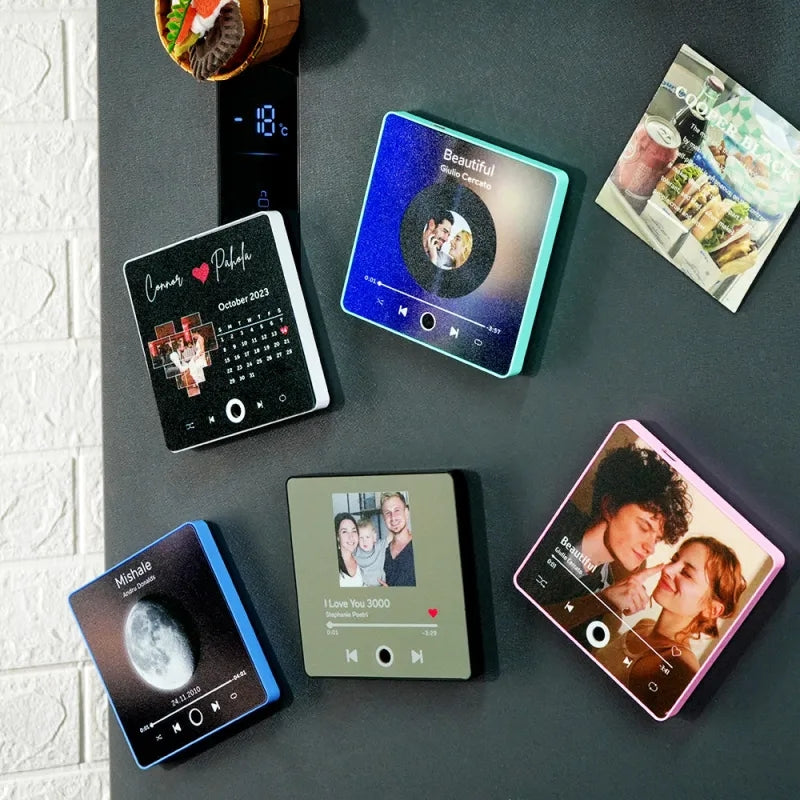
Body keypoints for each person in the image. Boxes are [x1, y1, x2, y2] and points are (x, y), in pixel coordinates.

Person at [516, 444, 692, 633]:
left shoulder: (608, 592)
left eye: (657, 539)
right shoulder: (550, 515)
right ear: (610, 507)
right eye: (644, 527)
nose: (650, 548)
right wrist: (602, 601)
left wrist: (603, 602)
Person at [594, 536, 746, 717]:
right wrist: (607, 600)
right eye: (674, 560)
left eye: (686, 573)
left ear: (711, 609)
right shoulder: (644, 625)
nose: (667, 569)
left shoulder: (682, 669)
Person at [380, 492, 416, 587]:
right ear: (384, 518)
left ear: (406, 513)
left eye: (397, 510)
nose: (393, 518)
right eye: (388, 513)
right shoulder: (382, 552)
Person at [355, 518, 388, 587]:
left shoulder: (379, 546)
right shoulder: (355, 552)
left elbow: (392, 536)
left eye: (367, 537)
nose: (364, 541)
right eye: (361, 538)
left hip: (380, 585)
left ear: (374, 537)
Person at [335, 513, 364, 587]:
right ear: (338, 537)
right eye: (344, 531)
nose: (351, 536)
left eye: (354, 531)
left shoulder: (362, 559)